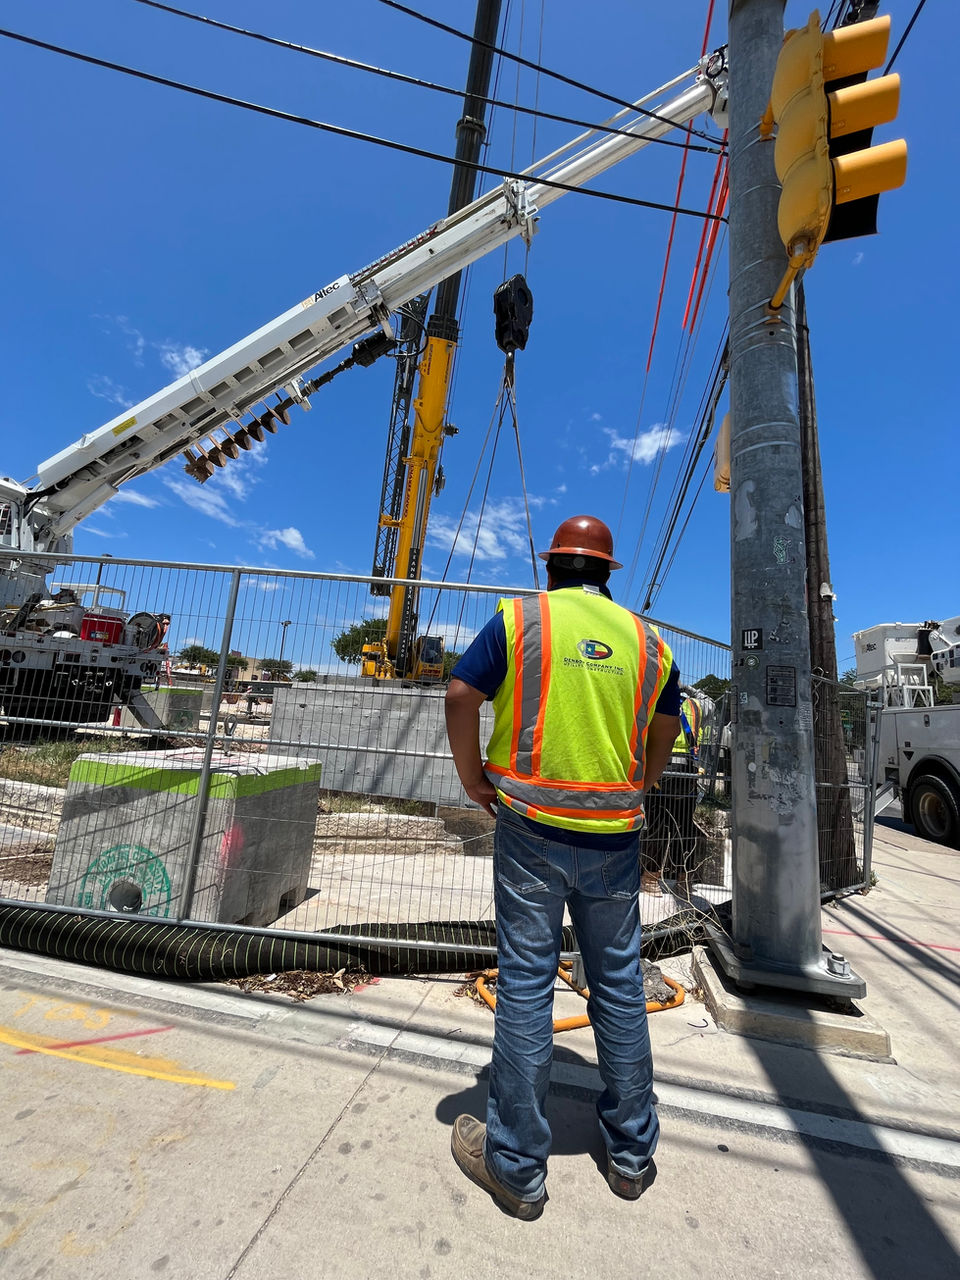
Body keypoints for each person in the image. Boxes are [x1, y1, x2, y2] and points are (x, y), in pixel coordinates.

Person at [444, 515, 681, 1220]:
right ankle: (632, 1157)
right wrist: (639, 785)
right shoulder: (650, 642)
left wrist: (472, 781)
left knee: (524, 984)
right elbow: (667, 730)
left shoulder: (519, 621)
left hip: (530, 829)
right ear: (608, 573)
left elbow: (460, 694)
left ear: (551, 566)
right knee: (616, 985)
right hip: (614, 835)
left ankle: (516, 1166)